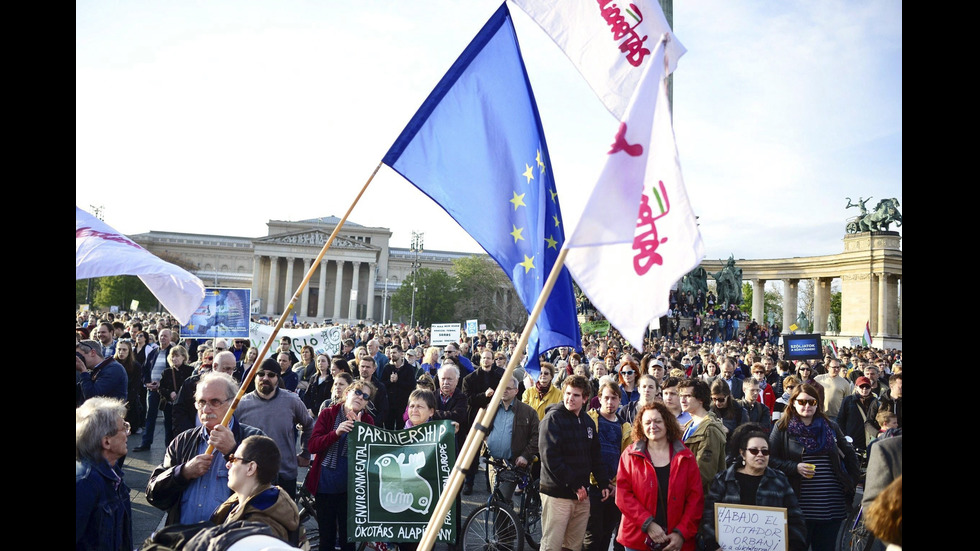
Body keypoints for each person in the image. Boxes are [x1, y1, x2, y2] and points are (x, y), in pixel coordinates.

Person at [146, 372, 265, 525]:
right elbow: (154, 494)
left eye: (215, 402)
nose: (206, 409)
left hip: (228, 540)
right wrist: (183, 472)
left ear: (232, 403)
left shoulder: (254, 439)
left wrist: (233, 452)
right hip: (184, 540)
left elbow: (265, 492)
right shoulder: (182, 441)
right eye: (201, 402)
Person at [768, 384, 859, 551]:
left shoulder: (830, 426)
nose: (807, 406)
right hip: (798, 505)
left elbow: (850, 455)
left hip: (831, 504)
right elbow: (769, 459)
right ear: (793, 403)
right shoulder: (782, 428)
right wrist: (794, 467)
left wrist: (850, 483)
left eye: (812, 402)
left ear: (817, 404)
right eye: (802, 402)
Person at [698, 424, 807, 551]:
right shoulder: (723, 480)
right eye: (754, 450)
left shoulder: (779, 480)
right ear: (742, 453)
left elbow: (795, 518)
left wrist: (793, 546)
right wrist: (712, 545)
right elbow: (709, 517)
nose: (760, 454)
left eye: (765, 451)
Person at [616, 402, 703, 551]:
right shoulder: (630, 455)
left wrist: (681, 533)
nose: (652, 426)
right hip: (638, 539)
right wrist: (648, 524)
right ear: (641, 426)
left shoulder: (686, 456)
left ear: (667, 423)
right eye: (647, 422)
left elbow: (695, 499)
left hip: (676, 541)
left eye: (658, 421)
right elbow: (623, 496)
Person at [539, 375, 611, 551]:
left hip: (581, 496)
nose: (570, 398)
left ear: (585, 398)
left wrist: (603, 483)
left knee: (573, 546)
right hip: (557, 494)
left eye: (576, 395)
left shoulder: (587, 422)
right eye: (568, 393)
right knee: (552, 545)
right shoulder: (553, 419)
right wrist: (574, 484)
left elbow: (595, 455)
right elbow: (550, 458)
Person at [305, 379, 376, 551]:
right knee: (326, 539)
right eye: (357, 392)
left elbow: (370, 458)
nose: (360, 397)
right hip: (325, 485)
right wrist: (336, 433)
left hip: (350, 489)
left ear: (367, 402)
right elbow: (313, 445)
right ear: (347, 394)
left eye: (365, 396)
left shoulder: (367, 420)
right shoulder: (328, 414)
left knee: (348, 540)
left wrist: (360, 432)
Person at [236, 358, 315, 498]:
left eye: (271, 375)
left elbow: (308, 425)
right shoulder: (241, 405)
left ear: (278, 378)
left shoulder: (292, 401)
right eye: (261, 374)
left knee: (284, 519)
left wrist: (305, 453)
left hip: (284, 473)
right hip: (252, 475)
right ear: (255, 376)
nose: (265, 378)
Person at [211, 434, 302, 545]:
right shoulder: (244, 504)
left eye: (233, 459)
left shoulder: (259, 527)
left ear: (251, 468)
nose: (228, 464)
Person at [76, 397, 133, 551]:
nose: (128, 433)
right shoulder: (85, 483)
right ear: (106, 442)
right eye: (124, 428)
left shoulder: (114, 477)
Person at [584, 380, 632, 551]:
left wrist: (615, 485)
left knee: (607, 533)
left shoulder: (625, 427)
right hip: (593, 485)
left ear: (620, 400)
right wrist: (599, 481)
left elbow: (626, 460)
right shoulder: (589, 419)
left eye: (614, 398)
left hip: (614, 488)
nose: (610, 402)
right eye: (606, 398)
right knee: (592, 535)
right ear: (599, 398)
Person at [482, 376, 539, 503]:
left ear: (516, 391)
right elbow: (482, 428)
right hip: (493, 463)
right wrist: (486, 440)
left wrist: (525, 456)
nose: (504, 391)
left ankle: (504, 521)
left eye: (508, 388)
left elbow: (537, 436)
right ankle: (508, 520)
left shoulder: (528, 412)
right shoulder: (491, 408)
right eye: (502, 388)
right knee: (498, 500)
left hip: (512, 465)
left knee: (501, 500)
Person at [461, 348, 505, 495]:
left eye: (489, 358)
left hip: (495, 419)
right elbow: (468, 399)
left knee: (492, 452)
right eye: (484, 358)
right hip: (475, 419)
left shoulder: (500, 376)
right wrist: (484, 396)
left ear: (493, 360)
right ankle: (469, 482)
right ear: (480, 360)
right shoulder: (470, 378)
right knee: (472, 453)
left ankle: (491, 483)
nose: (486, 360)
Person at [677, 379, 726, 495]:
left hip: (701, 497)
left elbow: (704, 472)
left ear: (700, 399)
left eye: (688, 396)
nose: (682, 400)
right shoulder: (690, 424)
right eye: (681, 396)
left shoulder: (709, 429)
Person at [135, 328, 174, 452]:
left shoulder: (172, 353)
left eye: (166, 336)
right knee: (150, 417)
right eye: (161, 336)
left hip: (165, 391)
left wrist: (161, 385)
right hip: (152, 390)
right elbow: (145, 369)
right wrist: (147, 382)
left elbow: (173, 371)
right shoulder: (153, 352)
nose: (163, 338)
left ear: (171, 338)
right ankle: (146, 443)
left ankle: (169, 445)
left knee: (167, 418)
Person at [836, 376, 880, 460]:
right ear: (856, 387)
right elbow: (840, 420)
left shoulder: (875, 401)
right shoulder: (848, 400)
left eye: (867, 386)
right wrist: (844, 436)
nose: (864, 389)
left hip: (871, 438)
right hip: (853, 438)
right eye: (861, 386)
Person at [158, 345, 193, 445]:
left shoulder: (190, 371)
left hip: (184, 406)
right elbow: (161, 388)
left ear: (183, 357)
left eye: (177, 356)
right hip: (169, 405)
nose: (174, 358)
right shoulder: (167, 372)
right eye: (172, 356)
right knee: (168, 430)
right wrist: (170, 393)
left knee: (183, 429)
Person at [114, 338, 145, 433]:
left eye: (124, 350)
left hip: (130, 399)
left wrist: (127, 402)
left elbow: (135, 386)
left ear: (129, 351)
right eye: (119, 349)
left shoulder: (135, 366)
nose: (121, 352)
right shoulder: (113, 364)